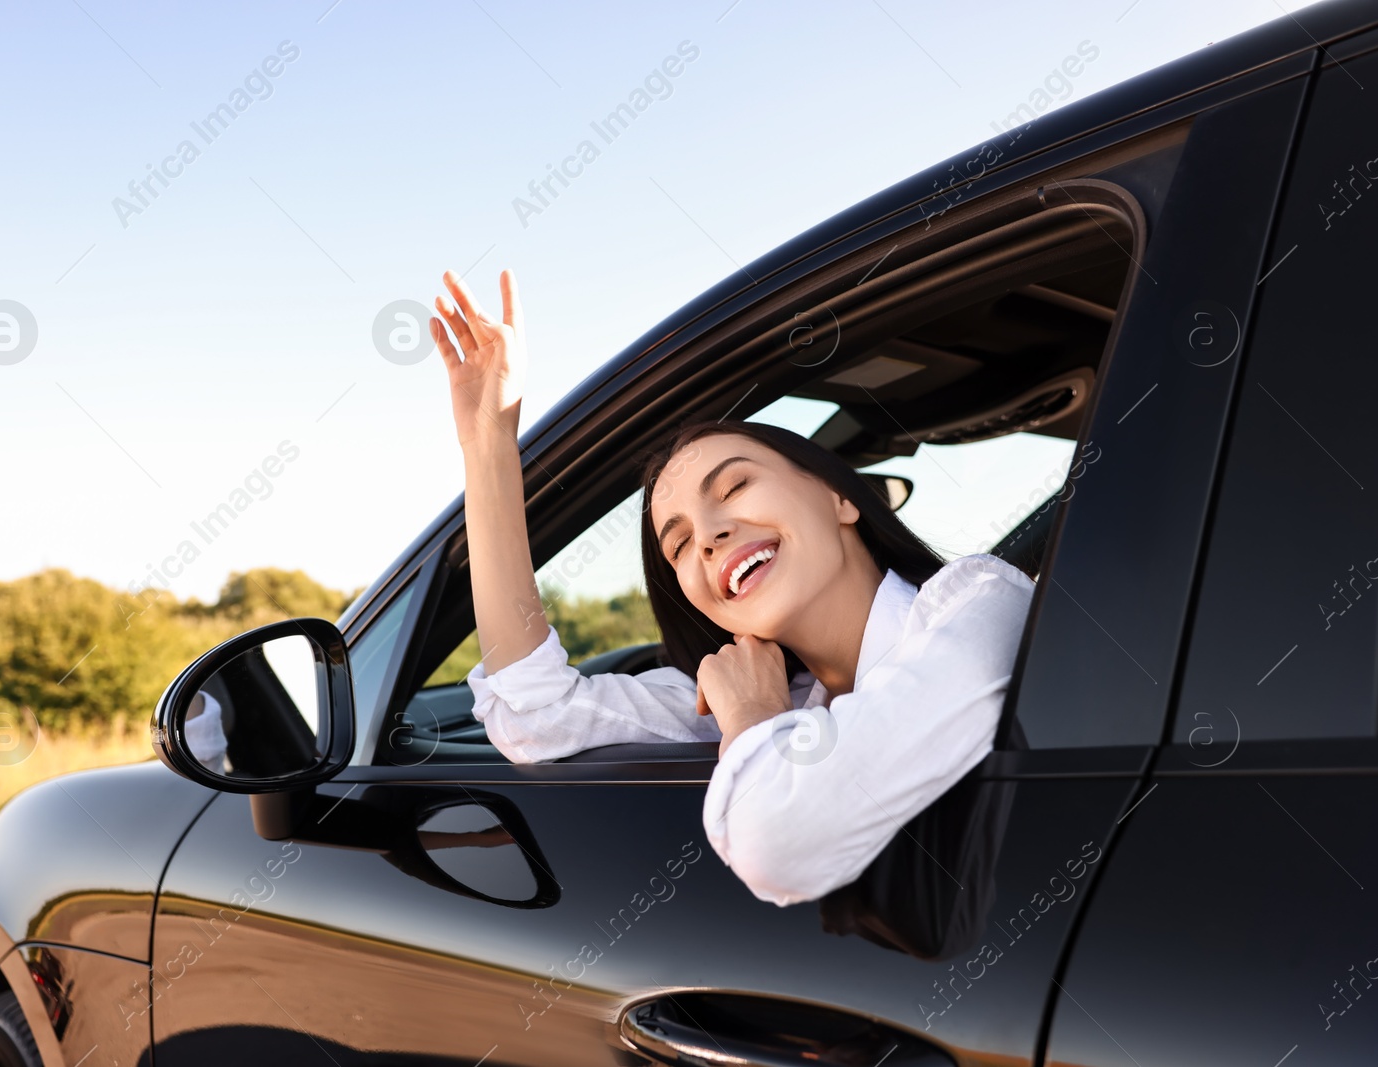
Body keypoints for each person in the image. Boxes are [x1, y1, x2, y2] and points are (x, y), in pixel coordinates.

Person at [430, 267, 1036, 907]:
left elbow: (782, 843)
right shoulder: (769, 688)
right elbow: (535, 713)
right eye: (680, 543)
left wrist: (750, 720)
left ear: (839, 498)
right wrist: (488, 443)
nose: (710, 535)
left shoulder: (979, 602)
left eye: (735, 486)